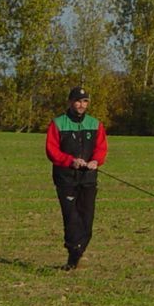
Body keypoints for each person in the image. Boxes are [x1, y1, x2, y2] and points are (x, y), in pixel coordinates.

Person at [46, 87, 108, 270]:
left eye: (85, 101)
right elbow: (51, 150)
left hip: (88, 178)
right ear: (70, 102)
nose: (81, 105)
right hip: (66, 178)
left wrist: (96, 161)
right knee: (71, 217)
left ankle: (78, 252)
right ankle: (74, 253)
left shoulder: (95, 124)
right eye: (78, 101)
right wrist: (70, 161)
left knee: (87, 219)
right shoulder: (58, 124)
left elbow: (101, 148)